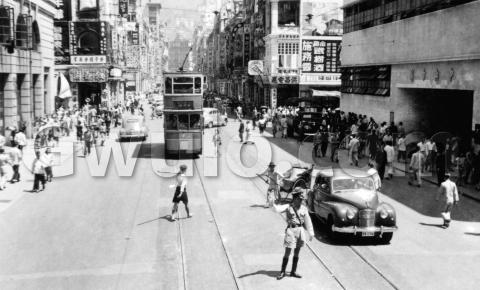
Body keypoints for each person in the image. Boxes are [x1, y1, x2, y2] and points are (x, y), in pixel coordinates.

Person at [273, 188, 314, 280]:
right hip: (291, 230)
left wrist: (311, 233)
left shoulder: (304, 209)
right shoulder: (288, 206)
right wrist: (273, 203)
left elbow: (308, 221)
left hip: (300, 231)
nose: (301, 201)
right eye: (299, 199)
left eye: (301, 199)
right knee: (287, 252)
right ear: (295, 198)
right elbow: (277, 209)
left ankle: (293, 271)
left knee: (297, 252)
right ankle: (282, 272)